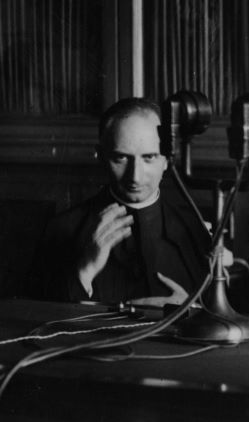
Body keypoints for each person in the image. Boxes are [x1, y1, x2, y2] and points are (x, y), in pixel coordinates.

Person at [33, 97, 211, 306]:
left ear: (167, 159)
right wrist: (85, 271)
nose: (135, 177)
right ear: (100, 156)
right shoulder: (62, 228)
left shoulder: (195, 228)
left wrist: (193, 310)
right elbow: (40, 318)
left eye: (149, 157)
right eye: (121, 158)